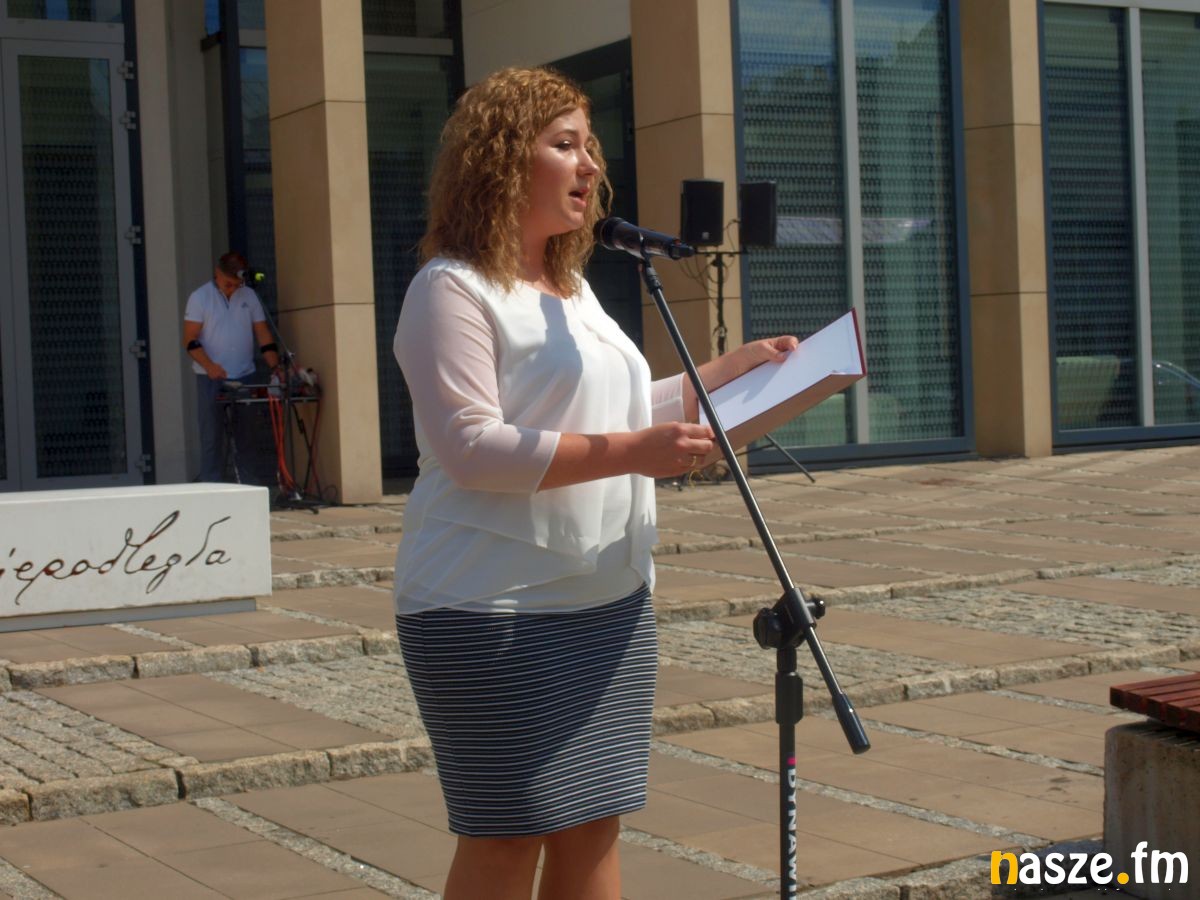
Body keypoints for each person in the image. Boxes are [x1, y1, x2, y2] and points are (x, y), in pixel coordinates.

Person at [391, 66, 798, 900]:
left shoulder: (573, 289)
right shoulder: (450, 288)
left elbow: (620, 413)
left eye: (590, 148)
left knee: (592, 828)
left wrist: (726, 375)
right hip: (489, 606)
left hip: (608, 599)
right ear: (504, 158)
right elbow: (472, 448)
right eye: (565, 145)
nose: (589, 167)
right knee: (509, 837)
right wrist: (635, 452)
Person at [182, 251, 280, 483]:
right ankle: (212, 488)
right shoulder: (200, 297)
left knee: (247, 436)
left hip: (245, 375)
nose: (233, 289)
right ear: (217, 273)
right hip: (211, 377)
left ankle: (249, 488)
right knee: (212, 436)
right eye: (228, 284)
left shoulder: (249, 295)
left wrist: (276, 367)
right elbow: (189, 340)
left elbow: (263, 333)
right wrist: (209, 365)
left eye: (237, 285)